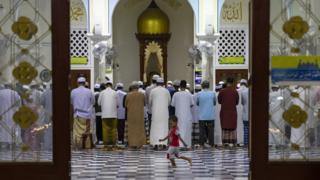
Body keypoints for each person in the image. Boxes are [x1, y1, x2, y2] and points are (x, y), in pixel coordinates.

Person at [71, 77, 95, 148]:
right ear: (85, 83)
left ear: (77, 83)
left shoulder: (73, 91)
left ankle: (78, 145)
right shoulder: (89, 91)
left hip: (77, 114)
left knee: (77, 131)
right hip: (87, 115)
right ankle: (86, 145)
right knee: (86, 131)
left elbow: (71, 102)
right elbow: (93, 102)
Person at [149, 77, 171, 150]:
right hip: (164, 113)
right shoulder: (166, 91)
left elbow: (150, 102)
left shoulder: (153, 91)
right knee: (164, 128)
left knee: (155, 128)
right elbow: (169, 102)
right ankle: (164, 144)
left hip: (155, 112)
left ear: (156, 83)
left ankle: (155, 144)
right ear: (163, 83)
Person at [171, 80, 194, 148]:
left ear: (180, 86)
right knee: (187, 130)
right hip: (187, 115)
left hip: (178, 115)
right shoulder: (189, 94)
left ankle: (179, 144)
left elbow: (172, 105)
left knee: (179, 129)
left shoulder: (176, 94)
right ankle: (187, 145)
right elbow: (192, 104)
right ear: (186, 86)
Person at [218, 77, 239, 147]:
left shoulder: (222, 91)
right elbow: (237, 102)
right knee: (232, 127)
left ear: (227, 82)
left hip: (224, 111)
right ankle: (232, 142)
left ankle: (225, 142)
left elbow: (219, 101)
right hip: (233, 111)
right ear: (233, 83)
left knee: (225, 127)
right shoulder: (235, 91)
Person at [125, 82, 146, 148]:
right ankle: (139, 144)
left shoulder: (128, 95)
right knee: (140, 129)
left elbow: (125, 105)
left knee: (131, 129)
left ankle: (132, 144)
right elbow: (144, 103)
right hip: (140, 115)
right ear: (138, 88)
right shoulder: (142, 94)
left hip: (131, 114)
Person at [0, 85, 21, 149]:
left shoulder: (0, 93)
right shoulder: (15, 93)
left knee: (3, 130)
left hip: (2, 114)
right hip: (13, 114)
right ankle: (12, 144)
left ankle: (3, 145)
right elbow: (19, 105)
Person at [197, 80, 216, 148]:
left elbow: (197, 103)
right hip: (210, 115)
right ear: (209, 86)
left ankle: (201, 144)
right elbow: (214, 103)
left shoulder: (199, 94)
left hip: (202, 116)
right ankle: (211, 144)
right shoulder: (213, 93)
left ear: (202, 86)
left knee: (202, 131)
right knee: (211, 131)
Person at [98, 81, 118, 146]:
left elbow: (99, 103)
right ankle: (113, 142)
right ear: (111, 86)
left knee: (105, 129)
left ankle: (106, 143)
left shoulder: (102, 92)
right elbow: (118, 104)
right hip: (113, 114)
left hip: (104, 115)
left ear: (106, 86)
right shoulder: (115, 92)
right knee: (113, 129)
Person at [238, 79, 249, 146]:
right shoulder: (250, 91)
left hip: (244, 113)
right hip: (251, 113)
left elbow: (242, 102)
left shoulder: (239, 91)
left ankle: (246, 143)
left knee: (245, 129)